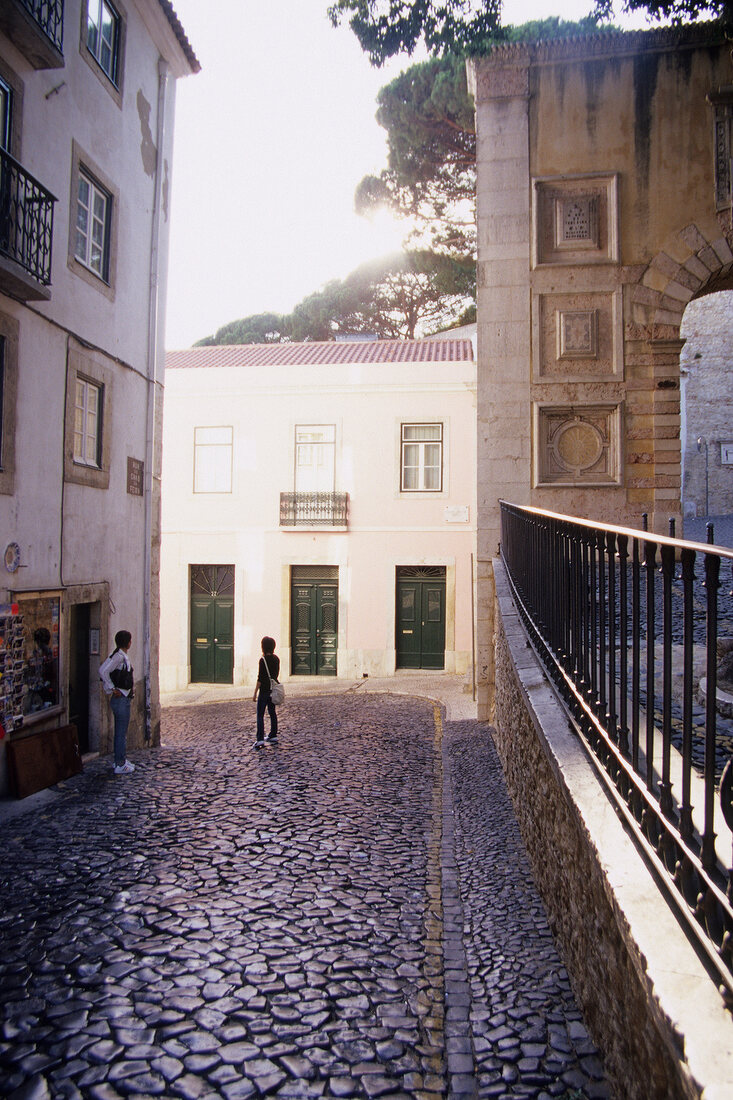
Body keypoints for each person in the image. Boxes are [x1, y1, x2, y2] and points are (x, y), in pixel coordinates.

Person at [99, 630, 135, 775]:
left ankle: (121, 760)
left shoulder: (120, 655)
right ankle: (119, 764)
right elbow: (103, 671)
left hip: (123, 699)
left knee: (121, 732)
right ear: (128, 642)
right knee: (121, 733)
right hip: (120, 700)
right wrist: (112, 688)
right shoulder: (118, 657)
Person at [252, 636, 279, 749]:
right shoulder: (276, 659)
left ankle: (260, 739)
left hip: (264, 691)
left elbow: (260, 679)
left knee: (260, 715)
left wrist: (254, 693)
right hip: (273, 690)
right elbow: (275, 675)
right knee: (272, 712)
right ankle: (273, 735)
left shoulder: (262, 660)